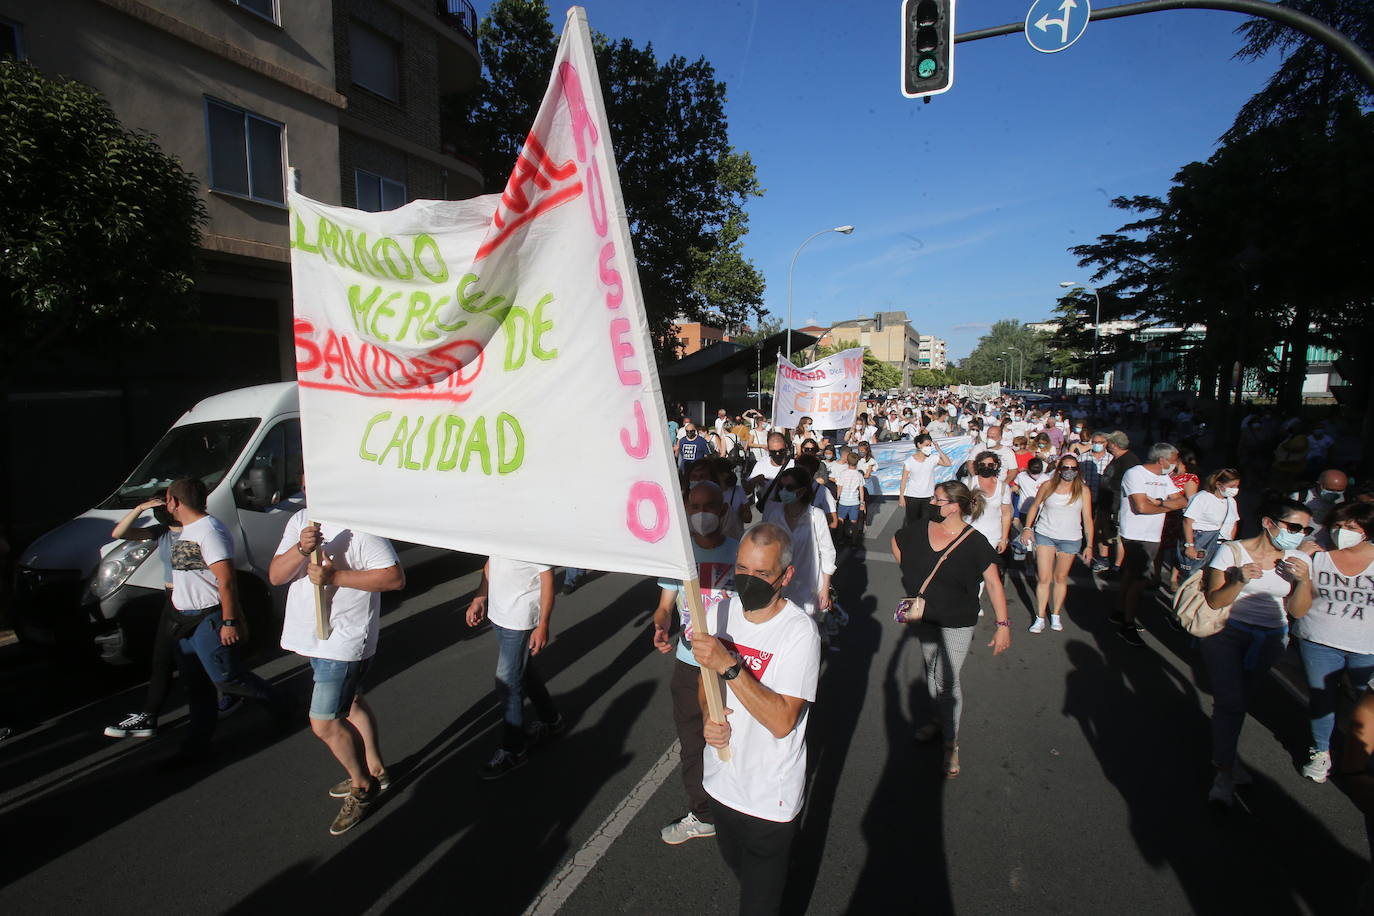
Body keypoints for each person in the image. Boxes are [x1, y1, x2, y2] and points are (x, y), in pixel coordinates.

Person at [692, 524, 820, 916]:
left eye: (761, 574)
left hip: (769, 797)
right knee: (741, 870)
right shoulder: (721, 611)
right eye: (742, 569)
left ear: (786, 576)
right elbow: (705, 679)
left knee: (759, 903)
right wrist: (708, 717)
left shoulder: (799, 634)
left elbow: (783, 721)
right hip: (722, 782)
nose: (748, 580)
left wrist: (729, 665)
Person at [268, 491, 405, 836]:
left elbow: (393, 577)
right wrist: (300, 549)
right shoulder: (301, 521)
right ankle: (374, 767)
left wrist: (335, 578)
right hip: (312, 637)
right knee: (353, 702)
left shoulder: (362, 527)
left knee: (324, 724)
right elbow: (276, 576)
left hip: (344, 642)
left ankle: (362, 787)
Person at [158, 478, 287, 760]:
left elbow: (226, 580)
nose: (165, 504)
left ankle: (284, 708)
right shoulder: (187, 530)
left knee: (228, 678)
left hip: (209, 619)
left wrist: (230, 621)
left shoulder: (209, 530)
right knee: (197, 688)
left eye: (167, 499)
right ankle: (195, 747)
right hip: (185, 622)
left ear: (175, 502)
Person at [892, 480, 1012, 777]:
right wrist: (911, 576)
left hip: (958, 620)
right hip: (924, 616)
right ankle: (938, 719)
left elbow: (995, 584)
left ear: (955, 506)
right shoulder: (921, 528)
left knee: (946, 678)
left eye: (939, 499)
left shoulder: (974, 541)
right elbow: (897, 541)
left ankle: (951, 743)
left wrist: (1003, 625)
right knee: (932, 670)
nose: (933, 503)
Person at [1200, 497, 1314, 805]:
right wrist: (1237, 580)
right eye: (1293, 526)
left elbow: (1299, 611)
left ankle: (1228, 757)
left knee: (1240, 702)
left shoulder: (1298, 560)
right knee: (1230, 702)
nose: (1299, 534)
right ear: (1269, 522)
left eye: (1305, 529)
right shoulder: (1232, 550)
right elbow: (1215, 601)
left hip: (1270, 638)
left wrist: (1302, 582)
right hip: (1226, 633)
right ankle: (1223, 774)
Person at [652, 481, 738, 845]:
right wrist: (659, 625)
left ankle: (740, 806)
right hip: (689, 664)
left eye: (710, 506)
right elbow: (664, 606)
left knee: (731, 738)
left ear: (722, 510)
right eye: (694, 506)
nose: (701, 513)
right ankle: (703, 814)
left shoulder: (740, 553)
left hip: (732, 665)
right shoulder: (680, 558)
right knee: (692, 741)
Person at [1292, 502, 1374, 784]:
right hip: (1318, 638)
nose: (1342, 532)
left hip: (1367, 646)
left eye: (1351, 528)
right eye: (1338, 526)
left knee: (1368, 705)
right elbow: (1289, 583)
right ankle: (1321, 751)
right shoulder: (1316, 553)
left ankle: (1363, 756)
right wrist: (1301, 554)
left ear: (1366, 531)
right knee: (1322, 698)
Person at [465, 556, 563, 779]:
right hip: (499, 615)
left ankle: (514, 750)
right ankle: (552, 720)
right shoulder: (501, 528)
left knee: (507, 682)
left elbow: (547, 581)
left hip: (520, 619)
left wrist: (543, 624)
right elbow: (491, 564)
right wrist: (480, 597)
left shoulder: (532, 537)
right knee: (523, 671)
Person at [102, 498, 192, 739]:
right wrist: (140, 509)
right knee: (162, 658)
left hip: (191, 599)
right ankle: (149, 714)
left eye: (167, 504)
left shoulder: (198, 530)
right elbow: (119, 532)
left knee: (201, 659)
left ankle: (250, 697)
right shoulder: (161, 531)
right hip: (170, 598)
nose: (164, 510)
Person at [1112, 443, 1187, 647]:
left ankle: (1120, 612)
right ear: (1161, 460)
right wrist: (1163, 506)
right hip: (1135, 534)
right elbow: (1141, 507)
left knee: (1131, 575)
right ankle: (1128, 624)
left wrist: (1160, 503)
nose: (1176, 464)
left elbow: (1182, 501)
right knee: (1140, 579)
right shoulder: (1134, 474)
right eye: (1173, 460)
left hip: (1153, 534)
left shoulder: (1164, 478)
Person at [1021, 455, 1094, 633]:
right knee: (1044, 578)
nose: (1069, 472)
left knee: (1060, 578)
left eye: (1073, 469)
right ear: (1059, 469)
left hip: (1070, 538)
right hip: (1046, 534)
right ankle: (1039, 617)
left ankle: (1055, 614)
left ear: (1077, 471)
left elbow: (1087, 519)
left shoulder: (1083, 490)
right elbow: (1035, 506)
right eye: (1066, 468)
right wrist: (1027, 528)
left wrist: (1090, 545)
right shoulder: (1048, 486)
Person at [763, 467, 835, 623]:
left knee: (806, 629)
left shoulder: (816, 516)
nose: (783, 491)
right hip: (780, 586)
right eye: (781, 487)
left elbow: (828, 553)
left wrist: (825, 588)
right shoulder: (775, 515)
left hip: (808, 587)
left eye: (789, 488)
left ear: (802, 491)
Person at [1178, 469, 1241, 578]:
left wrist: (1229, 543)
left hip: (1221, 544)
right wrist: (1190, 545)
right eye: (1232, 486)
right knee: (1195, 575)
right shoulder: (1202, 498)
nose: (1235, 489)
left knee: (1214, 577)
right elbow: (1187, 521)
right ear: (1219, 484)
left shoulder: (1231, 501)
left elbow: (1233, 522)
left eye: (1237, 486)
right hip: (1202, 540)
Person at [1095, 430, 1140, 575]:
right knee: (1105, 533)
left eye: (1108, 443)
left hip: (1118, 504)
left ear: (1114, 444)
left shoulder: (1129, 461)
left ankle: (1117, 566)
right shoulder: (1117, 458)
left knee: (1118, 536)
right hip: (1107, 502)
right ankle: (1105, 559)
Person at [962, 450, 1012, 577]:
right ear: (977, 465)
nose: (986, 467)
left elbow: (1006, 514)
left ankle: (976, 596)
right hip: (969, 533)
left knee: (983, 572)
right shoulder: (968, 483)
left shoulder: (1003, 487)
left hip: (992, 536)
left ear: (996, 466)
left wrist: (1004, 539)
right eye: (982, 464)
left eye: (990, 465)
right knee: (967, 569)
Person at [1156, 448, 1202, 588]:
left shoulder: (1190, 478)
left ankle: (1173, 578)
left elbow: (1189, 501)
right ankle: (1156, 576)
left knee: (1176, 548)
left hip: (1177, 517)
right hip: (1163, 514)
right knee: (1160, 547)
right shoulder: (1169, 473)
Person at [898, 434, 952, 527]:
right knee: (912, 523)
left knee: (926, 523)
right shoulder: (909, 462)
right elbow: (903, 480)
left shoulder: (933, 458)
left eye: (930, 445)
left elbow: (948, 463)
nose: (929, 447)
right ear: (919, 445)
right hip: (913, 496)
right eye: (926, 445)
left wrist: (938, 450)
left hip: (928, 497)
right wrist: (901, 497)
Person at [833, 451, 868, 548]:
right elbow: (861, 489)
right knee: (854, 521)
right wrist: (862, 501)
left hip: (843, 501)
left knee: (841, 520)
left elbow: (839, 487)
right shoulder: (859, 475)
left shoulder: (843, 474)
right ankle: (854, 540)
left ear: (847, 462)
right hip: (854, 502)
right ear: (857, 463)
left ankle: (839, 538)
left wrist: (837, 498)